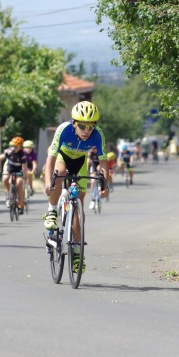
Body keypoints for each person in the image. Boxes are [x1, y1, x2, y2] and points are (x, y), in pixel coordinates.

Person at [43, 101, 109, 273]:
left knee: (79, 202)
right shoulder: (63, 129)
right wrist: (48, 182)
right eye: (82, 126)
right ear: (74, 123)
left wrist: (104, 184)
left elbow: (103, 162)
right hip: (62, 157)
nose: (87, 130)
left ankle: (77, 251)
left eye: (91, 126)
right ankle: (51, 211)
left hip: (80, 161)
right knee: (61, 173)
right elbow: (50, 159)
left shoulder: (98, 135)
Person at [0, 137, 28, 214]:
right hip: (10, 168)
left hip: (19, 169)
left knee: (19, 183)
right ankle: (9, 193)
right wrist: (5, 155)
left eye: (16, 146)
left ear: (20, 146)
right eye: (13, 146)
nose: (14, 147)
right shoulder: (9, 151)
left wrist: (24, 175)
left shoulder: (22, 154)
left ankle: (20, 205)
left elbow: (24, 166)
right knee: (5, 178)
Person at [87, 145, 100, 210]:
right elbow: (88, 162)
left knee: (101, 171)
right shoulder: (90, 153)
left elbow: (103, 162)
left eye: (95, 148)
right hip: (93, 166)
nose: (94, 149)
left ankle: (101, 188)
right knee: (93, 181)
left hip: (99, 165)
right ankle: (92, 196)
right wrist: (87, 170)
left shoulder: (99, 152)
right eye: (92, 148)